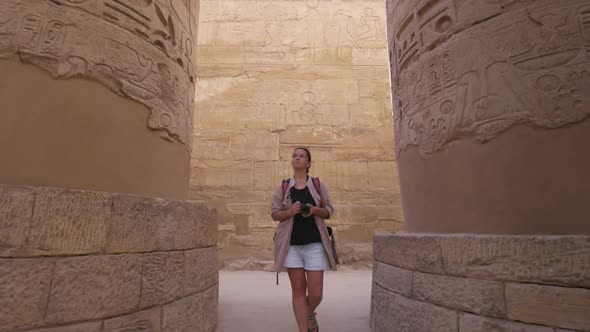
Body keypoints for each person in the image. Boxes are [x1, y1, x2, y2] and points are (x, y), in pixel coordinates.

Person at [271, 147, 337, 332]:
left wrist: (315, 210)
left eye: (301, 156)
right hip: (291, 247)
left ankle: (309, 314)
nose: (297, 158)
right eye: (294, 155)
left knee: (316, 294)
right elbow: (275, 214)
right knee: (298, 292)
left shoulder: (317, 184)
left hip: (315, 244)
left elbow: (329, 210)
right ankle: (304, 329)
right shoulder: (284, 186)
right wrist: (290, 212)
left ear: (308, 163)